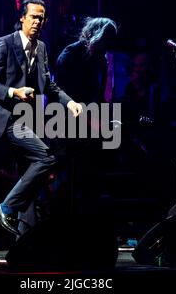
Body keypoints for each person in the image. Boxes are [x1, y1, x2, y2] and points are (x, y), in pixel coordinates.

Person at [0, 0, 83, 236]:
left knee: (30, 172)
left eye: (41, 18)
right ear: (22, 18)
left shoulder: (41, 48)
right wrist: (14, 91)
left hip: (24, 119)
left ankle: (25, 238)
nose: (37, 22)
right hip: (2, 119)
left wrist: (70, 102)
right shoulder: (3, 44)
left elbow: (49, 85)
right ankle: (6, 208)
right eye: (33, 16)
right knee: (45, 158)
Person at [53, 17, 117, 214]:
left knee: (92, 181)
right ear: (97, 36)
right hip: (66, 126)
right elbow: (65, 97)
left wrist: (109, 120)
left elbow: (98, 98)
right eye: (106, 42)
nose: (107, 48)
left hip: (90, 128)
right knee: (68, 182)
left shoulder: (101, 60)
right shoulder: (70, 55)